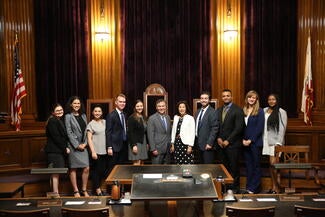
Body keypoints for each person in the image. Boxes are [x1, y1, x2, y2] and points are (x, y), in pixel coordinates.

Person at [216, 89, 244, 193]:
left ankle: (235, 189)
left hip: (233, 145)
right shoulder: (218, 110)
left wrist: (228, 140)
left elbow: (239, 128)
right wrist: (218, 138)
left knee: (234, 168)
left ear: (231, 97)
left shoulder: (238, 110)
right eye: (224, 96)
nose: (226, 97)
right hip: (221, 145)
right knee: (224, 168)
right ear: (221, 98)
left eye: (228, 95)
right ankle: (225, 188)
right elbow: (217, 126)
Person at [262, 93, 287, 194]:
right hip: (265, 141)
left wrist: (279, 143)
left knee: (274, 164)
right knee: (270, 164)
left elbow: (282, 128)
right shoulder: (264, 110)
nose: (271, 101)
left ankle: (276, 188)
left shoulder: (281, 112)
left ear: (277, 100)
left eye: (273, 99)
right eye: (269, 99)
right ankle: (273, 187)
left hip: (275, 142)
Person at [65, 96, 89, 197]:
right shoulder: (68, 116)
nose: (77, 105)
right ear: (71, 104)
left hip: (83, 145)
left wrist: (85, 143)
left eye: (78, 103)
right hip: (73, 146)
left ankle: (84, 189)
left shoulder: (83, 115)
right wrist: (77, 145)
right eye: (75, 103)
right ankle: (76, 191)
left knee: (86, 168)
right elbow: (69, 132)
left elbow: (88, 130)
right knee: (73, 168)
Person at [44, 103, 70, 196]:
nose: (60, 112)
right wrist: (65, 148)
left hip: (57, 151)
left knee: (56, 173)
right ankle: (55, 194)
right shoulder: (52, 121)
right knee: (55, 173)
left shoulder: (58, 120)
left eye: (61, 110)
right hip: (54, 152)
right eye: (57, 110)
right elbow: (56, 137)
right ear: (53, 112)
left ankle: (55, 193)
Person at [242, 90, 265, 194]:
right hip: (244, 143)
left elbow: (259, 128)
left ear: (256, 100)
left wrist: (250, 140)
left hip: (255, 143)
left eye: (254, 98)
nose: (251, 99)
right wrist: (242, 140)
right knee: (248, 165)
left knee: (256, 165)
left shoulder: (260, 111)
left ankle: (254, 188)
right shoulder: (243, 110)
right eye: (250, 97)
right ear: (247, 98)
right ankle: (249, 187)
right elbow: (241, 127)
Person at [87, 105, 108, 196]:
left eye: (99, 111)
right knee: (96, 171)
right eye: (95, 111)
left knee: (102, 171)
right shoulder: (91, 124)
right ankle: (97, 190)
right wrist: (93, 151)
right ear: (92, 113)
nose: (97, 113)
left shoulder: (105, 122)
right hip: (96, 152)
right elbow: (89, 139)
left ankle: (99, 187)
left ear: (102, 113)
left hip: (104, 151)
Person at [106, 94, 128, 173]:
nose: (122, 103)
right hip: (114, 147)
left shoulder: (125, 115)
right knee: (113, 169)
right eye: (120, 102)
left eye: (124, 102)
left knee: (122, 169)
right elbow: (108, 132)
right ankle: (112, 185)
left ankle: (119, 185)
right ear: (116, 102)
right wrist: (109, 147)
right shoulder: (111, 115)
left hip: (124, 146)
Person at [195, 91, 218, 164]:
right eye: (202, 98)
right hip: (198, 144)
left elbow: (215, 129)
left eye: (205, 98)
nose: (203, 100)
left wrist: (210, 143)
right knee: (200, 167)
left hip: (207, 145)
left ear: (209, 100)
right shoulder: (198, 111)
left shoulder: (213, 112)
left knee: (208, 168)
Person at [147, 99, 171, 164]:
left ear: (166, 107)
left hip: (168, 149)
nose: (161, 108)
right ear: (156, 107)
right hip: (157, 149)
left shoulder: (168, 117)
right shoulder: (152, 118)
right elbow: (150, 135)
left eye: (163, 106)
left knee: (167, 170)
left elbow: (168, 133)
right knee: (156, 170)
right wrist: (153, 148)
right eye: (159, 106)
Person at [127, 100, 148, 165]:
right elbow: (130, 132)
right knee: (137, 163)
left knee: (142, 162)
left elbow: (145, 131)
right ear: (135, 107)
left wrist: (147, 143)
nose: (140, 107)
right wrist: (134, 145)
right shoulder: (132, 118)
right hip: (136, 143)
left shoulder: (143, 117)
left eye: (141, 106)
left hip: (143, 142)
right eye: (137, 106)